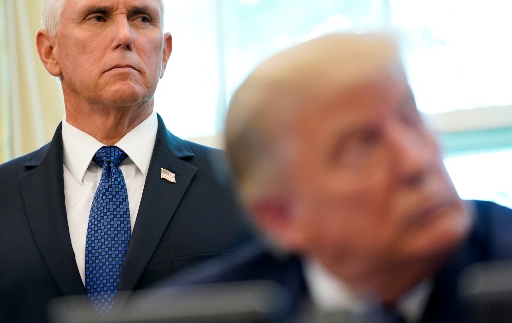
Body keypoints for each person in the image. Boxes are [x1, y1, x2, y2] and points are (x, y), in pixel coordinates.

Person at [0, 0, 253, 323]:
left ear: (164, 53)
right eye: (97, 17)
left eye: (142, 18)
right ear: (49, 51)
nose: (125, 35)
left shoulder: (241, 188)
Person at [148, 32, 512, 322]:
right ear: (282, 215)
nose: (417, 162)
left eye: (411, 119)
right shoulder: (199, 312)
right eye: (363, 147)